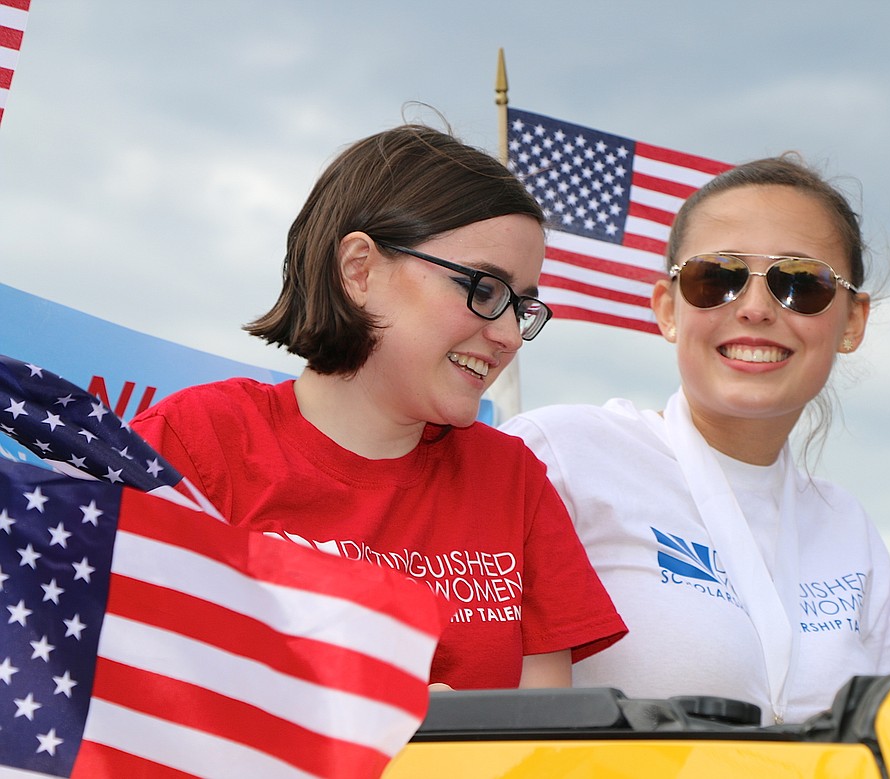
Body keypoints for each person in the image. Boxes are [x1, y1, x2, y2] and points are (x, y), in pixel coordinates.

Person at [132, 124, 626, 691]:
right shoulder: (196, 441)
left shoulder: (512, 481)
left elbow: (543, 738)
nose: (510, 335)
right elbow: (121, 694)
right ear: (359, 270)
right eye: (485, 290)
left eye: (523, 306)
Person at [501, 153, 890, 723]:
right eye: (716, 279)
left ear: (852, 321)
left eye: (800, 283)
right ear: (667, 308)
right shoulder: (562, 455)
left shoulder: (846, 527)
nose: (754, 309)